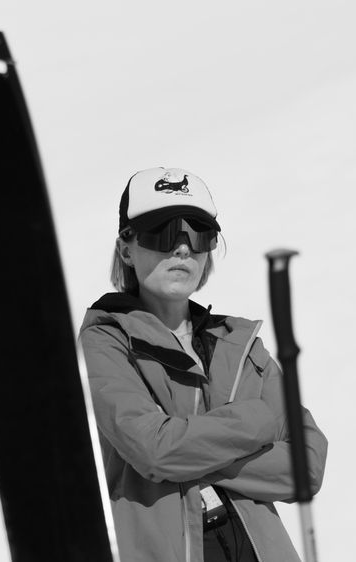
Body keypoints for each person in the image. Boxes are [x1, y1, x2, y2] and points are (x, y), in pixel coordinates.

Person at [79, 167, 328, 562]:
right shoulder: (105, 340)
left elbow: (307, 465)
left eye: (198, 234)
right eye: (161, 233)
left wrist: (189, 452)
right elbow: (155, 450)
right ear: (126, 250)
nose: (183, 249)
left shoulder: (238, 343)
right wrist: (258, 419)